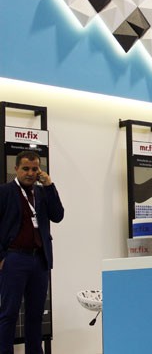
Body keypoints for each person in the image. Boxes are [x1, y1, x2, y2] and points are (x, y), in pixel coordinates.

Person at [0, 150, 64, 354]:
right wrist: (1, 257)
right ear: (16, 169)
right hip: (14, 258)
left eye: (34, 169)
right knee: (9, 313)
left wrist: (49, 185)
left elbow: (58, 215)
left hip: (39, 260)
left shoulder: (43, 192)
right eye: (25, 168)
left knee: (36, 314)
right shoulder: (4, 192)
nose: (30, 173)